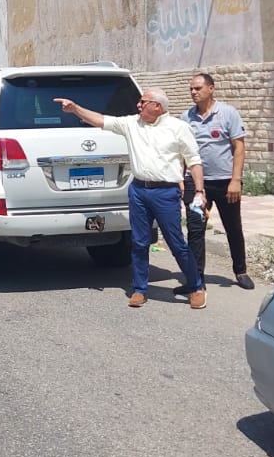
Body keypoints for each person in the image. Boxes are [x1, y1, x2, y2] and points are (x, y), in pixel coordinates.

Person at [53, 88, 207, 309]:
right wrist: (75, 109)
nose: (138, 105)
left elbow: (194, 160)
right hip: (138, 191)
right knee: (139, 242)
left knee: (176, 243)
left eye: (143, 102)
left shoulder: (179, 128)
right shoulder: (132, 124)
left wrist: (199, 191)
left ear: (157, 106)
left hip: (165, 193)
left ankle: (196, 287)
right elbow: (101, 120)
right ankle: (139, 289)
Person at [183, 73, 253, 291]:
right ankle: (196, 279)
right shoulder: (186, 117)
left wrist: (236, 180)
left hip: (224, 183)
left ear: (211, 88)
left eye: (198, 88)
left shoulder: (228, 113)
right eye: (191, 89)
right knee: (195, 229)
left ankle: (240, 271)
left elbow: (239, 147)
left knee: (233, 227)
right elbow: (181, 150)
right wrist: (180, 179)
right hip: (196, 184)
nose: (193, 92)